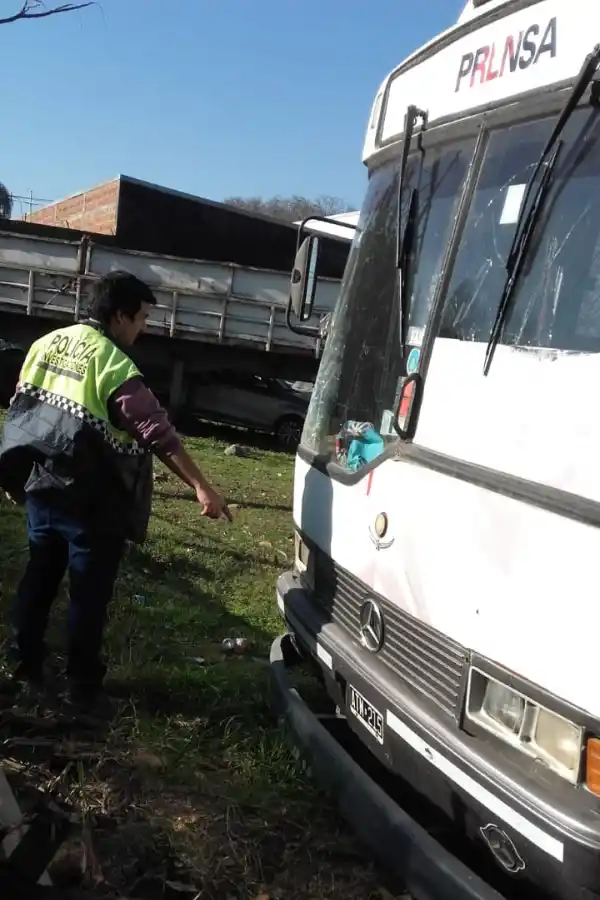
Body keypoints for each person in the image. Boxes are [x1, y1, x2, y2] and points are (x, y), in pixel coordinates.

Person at [0, 270, 231, 712]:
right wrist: (202, 487)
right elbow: (157, 432)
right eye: (141, 318)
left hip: (43, 487)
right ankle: (82, 688)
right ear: (120, 316)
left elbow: (22, 414)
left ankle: (23, 664)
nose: (143, 328)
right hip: (91, 500)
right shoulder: (113, 364)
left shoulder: (45, 343)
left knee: (38, 578)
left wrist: (13, 477)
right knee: (88, 595)